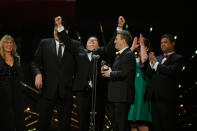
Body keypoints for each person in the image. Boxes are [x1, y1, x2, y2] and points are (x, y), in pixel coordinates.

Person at [55, 16, 108, 131]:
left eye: (95, 41)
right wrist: (60, 27)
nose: (92, 42)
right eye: (90, 40)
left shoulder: (102, 53)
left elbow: (111, 47)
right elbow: (68, 41)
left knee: (98, 121)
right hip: (81, 92)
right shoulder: (79, 51)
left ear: (99, 46)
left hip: (98, 92)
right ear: (85, 45)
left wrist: (119, 28)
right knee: (83, 121)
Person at [31, 20, 76, 131]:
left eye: (59, 30)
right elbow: (34, 62)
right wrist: (38, 73)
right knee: (42, 124)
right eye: (54, 30)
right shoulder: (44, 43)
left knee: (65, 125)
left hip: (66, 92)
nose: (56, 32)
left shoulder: (73, 45)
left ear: (66, 32)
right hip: (48, 91)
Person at [101, 20, 136, 131]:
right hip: (116, 97)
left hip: (122, 97)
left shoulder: (129, 55)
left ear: (123, 40)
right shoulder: (120, 56)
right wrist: (110, 70)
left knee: (121, 126)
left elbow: (125, 73)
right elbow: (120, 71)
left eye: (116, 39)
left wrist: (110, 73)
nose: (114, 42)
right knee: (116, 126)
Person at [144, 33, 183, 131]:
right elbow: (148, 73)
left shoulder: (178, 58)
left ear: (173, 43)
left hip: (167, 99)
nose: (162, 44)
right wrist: (151, 63)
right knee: (156, 126)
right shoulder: (157, 58)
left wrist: (155, 63)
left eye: (165, 42)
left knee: (167, 126)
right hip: (154, 98)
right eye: (161, 42)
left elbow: (171, 71)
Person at [0, 34, 24, 131]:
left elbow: (20, 76)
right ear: (2, 44)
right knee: (6, 119)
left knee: (19, 117)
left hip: (17, 92)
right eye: (6, 42)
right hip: (3, 94)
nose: (9, 44)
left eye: (11, 42)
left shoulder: (17, 58)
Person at [128, 34, 152, 131]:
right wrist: (132, 47)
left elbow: (144, 61)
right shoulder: (133, 59)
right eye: (138, 45)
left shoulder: (150, 59)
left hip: (142, 91)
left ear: (146, 47)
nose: (138, 47)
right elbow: (122, 60)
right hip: (133, 92)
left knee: (142, 122)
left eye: (141, 45)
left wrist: (142, 45)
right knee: (133, 124)